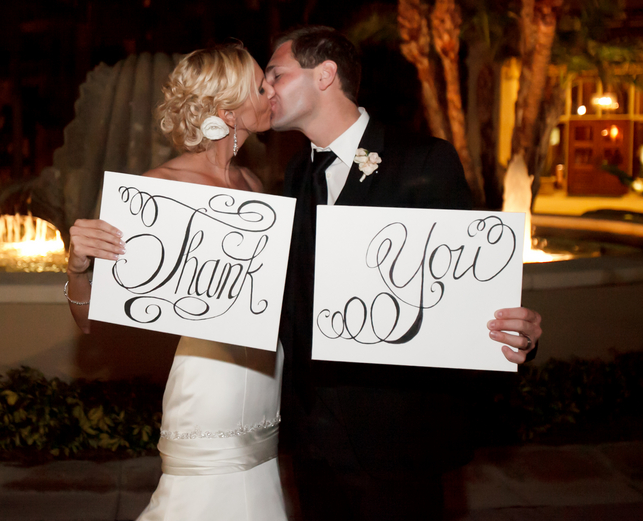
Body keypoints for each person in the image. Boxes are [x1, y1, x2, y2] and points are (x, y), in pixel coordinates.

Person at [265, 26, 544, 521]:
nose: (264, 88)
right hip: (312, 442)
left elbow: (460, 288)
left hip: (395, 442)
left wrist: (513, 335)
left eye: (276, 74)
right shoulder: (295, 176)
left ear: (325, 75)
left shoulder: (423, 160)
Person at [65, 44, 288, 521]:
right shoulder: (162, 188)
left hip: (267, 379)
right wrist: (78, 268)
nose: (272, 91)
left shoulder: (254, 183)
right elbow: (90, 324)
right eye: (260, 85)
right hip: (211, 384)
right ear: (227, 109)